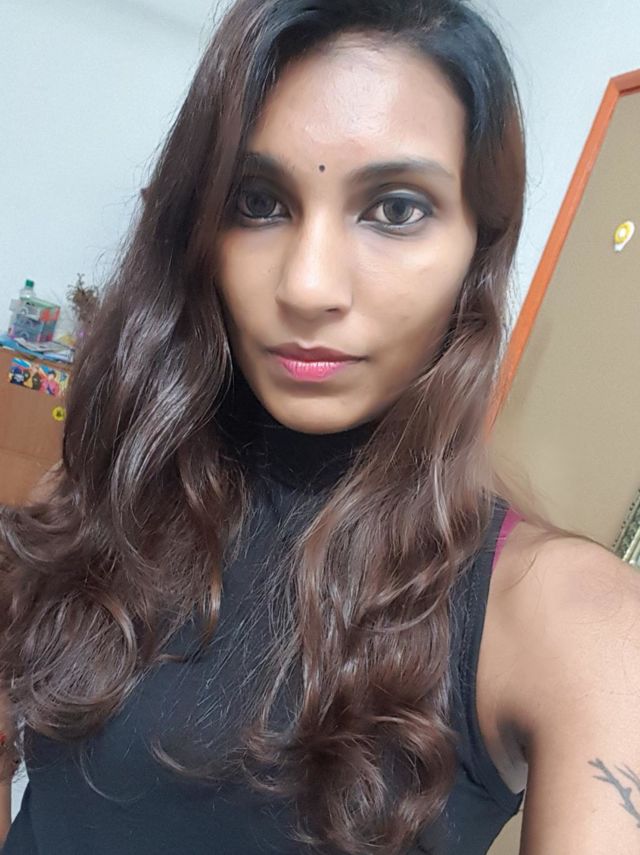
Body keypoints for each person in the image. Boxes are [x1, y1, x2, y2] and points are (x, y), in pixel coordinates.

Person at [1, 1, 639, 853]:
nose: (306, 285)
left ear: (478, 249)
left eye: (396, 209)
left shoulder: (574, 621)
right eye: (257, 201)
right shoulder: (103, 493)